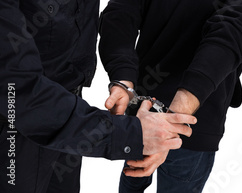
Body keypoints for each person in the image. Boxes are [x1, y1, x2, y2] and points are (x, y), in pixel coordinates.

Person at [0, 1, 195, 193]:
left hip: (71, 118)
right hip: (13, 129)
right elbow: (16, 88)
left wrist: (122, 79)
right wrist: (129, 134)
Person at [99, 0, 242, 192]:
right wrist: (123, 80)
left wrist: (170, 124)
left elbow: (234, 31)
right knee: (135, 177)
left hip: (184, 119)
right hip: (147, 113)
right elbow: (121, 12)